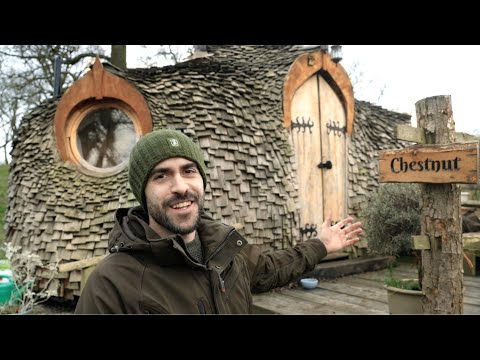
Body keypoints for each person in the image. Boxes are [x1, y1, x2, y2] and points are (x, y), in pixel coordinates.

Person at [75, 129, 362, 314]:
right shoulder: (111, 285)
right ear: (142, 192)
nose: (180, 186)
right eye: (161, 175)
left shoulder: (224, 251)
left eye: (189, 171)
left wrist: (321, 244)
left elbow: (270, 269)